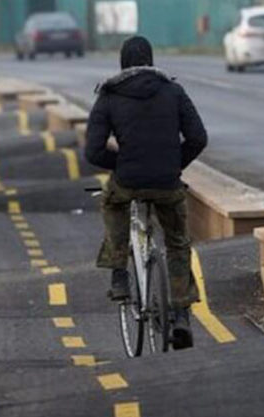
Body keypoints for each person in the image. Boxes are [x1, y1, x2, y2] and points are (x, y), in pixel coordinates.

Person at [86, 36, 208, 350]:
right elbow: (198, 137)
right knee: (178, 242)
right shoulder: (173, 90)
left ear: (122, 63)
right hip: (168, 182)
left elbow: (93, 150)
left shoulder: (109, 95)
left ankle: (118, 275)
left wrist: (121, 163)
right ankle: (180, 314)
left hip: (128, 179)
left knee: (113, 205)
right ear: (151, 61)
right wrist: (173, 164)